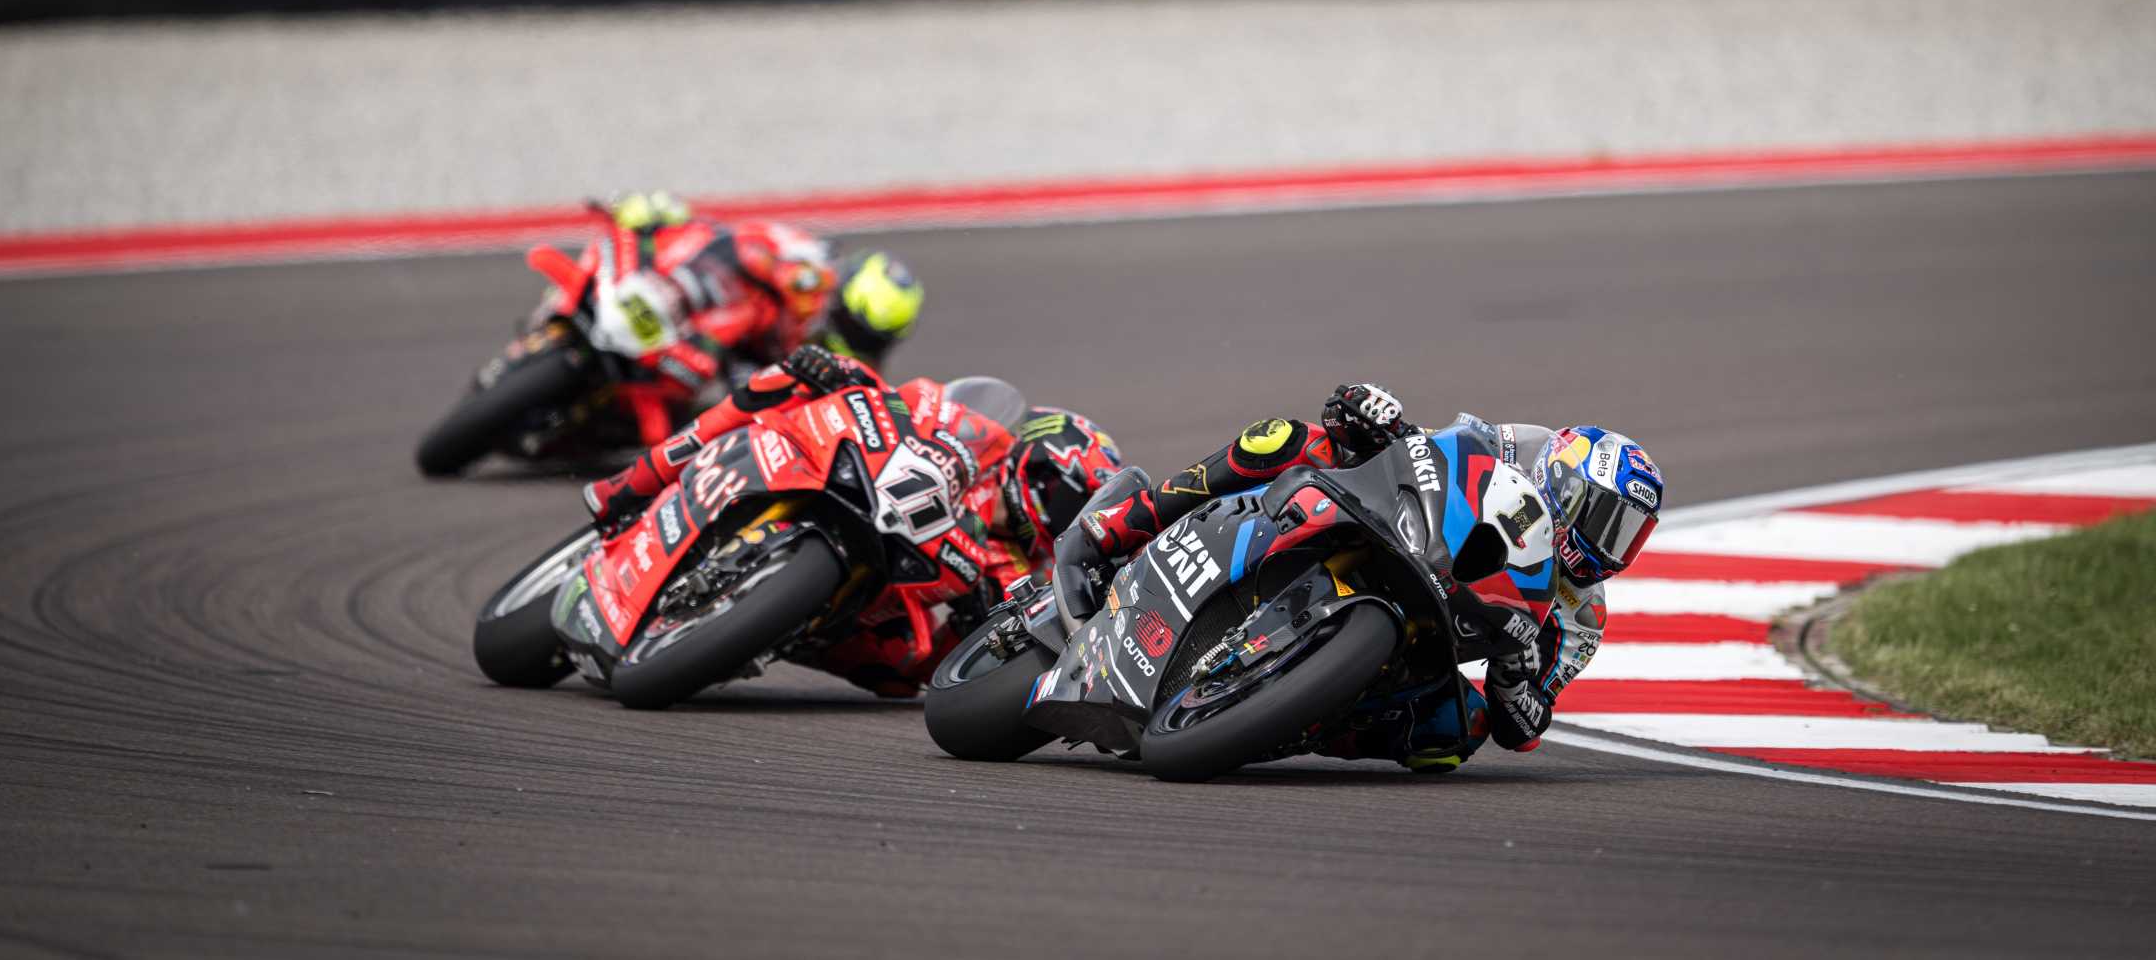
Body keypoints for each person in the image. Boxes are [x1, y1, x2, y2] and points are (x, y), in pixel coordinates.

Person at [1055, 383, 1663, 772]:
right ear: (1566, 483)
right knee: (1286, 438)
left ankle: (1285, 722)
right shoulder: (1507, 450)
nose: (1612, 545)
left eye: (1629, 535)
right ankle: (1125, 521)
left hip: (1436, 633)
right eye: (1607, 520)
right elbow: (1434, 452)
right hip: (1397, 529)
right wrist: (1373, 416)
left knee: (1455, 735)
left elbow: (1525, 728)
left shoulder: (1581, 616)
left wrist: (1515, 675)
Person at [579, 341, 1123, 698]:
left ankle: (767, 631)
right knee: (784, 382)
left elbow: (974, 650)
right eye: (1064, 498)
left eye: (1073, 511)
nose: (1060, 516)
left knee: (903, 669)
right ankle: (631, 483)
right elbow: (910, 402)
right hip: (856, 477)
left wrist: (977, 625)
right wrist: (840, 373)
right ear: (1036, 458)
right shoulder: (975, 435)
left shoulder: (1015, 565)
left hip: (878, 591)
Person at [600, 192, 925, 378]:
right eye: (855, 328)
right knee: (660, 212)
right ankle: (637, 266)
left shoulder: (856, 367)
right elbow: (744, 241)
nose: (858, 341)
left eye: (871, 339)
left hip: (738, 368)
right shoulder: (808, 274)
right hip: (705, 302)